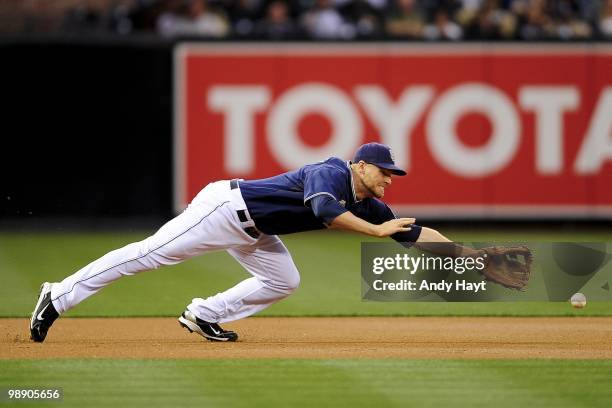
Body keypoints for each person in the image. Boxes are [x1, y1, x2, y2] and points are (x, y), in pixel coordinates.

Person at [29, 143, 476, 343]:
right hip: (224, 209)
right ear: (360, 166)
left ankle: (204, 314)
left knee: (284, 280)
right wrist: (375, 231)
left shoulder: (367, 204)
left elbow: (410, 232)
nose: (388, 179)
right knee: (149, 255)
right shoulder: (331, 172)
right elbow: (323, 211)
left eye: (392, 174)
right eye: (383, 171)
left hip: (255, 231)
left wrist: (466, 256)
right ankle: (59, 294)